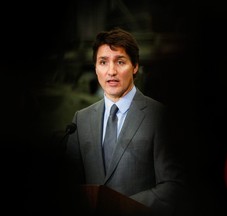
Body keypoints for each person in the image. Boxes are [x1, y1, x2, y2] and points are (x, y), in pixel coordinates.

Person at [62, 27, 189, 216]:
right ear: (96, 68)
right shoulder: (81, 120)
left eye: (120, 62)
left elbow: (173, 186)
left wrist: (121, 207)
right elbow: (68, 186)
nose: (111, 71)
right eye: (103, 62)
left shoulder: (160, 116)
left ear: (135, 66)